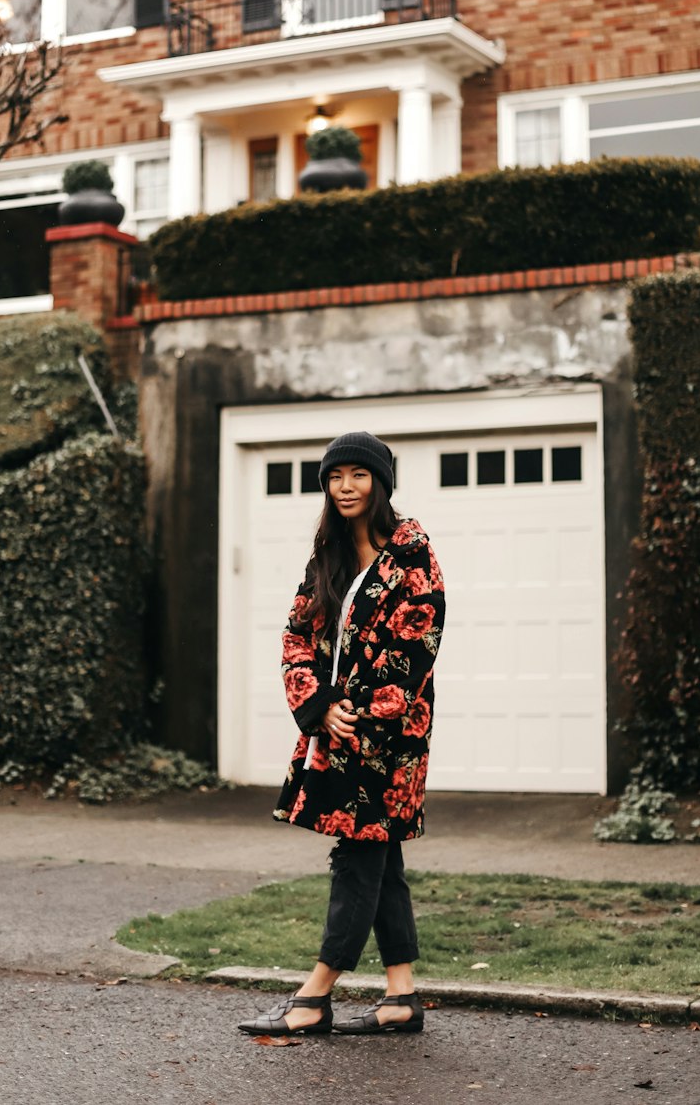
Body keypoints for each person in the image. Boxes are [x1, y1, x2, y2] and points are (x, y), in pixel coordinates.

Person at [238, 430, 445, 1039]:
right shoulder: (326, 553)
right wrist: (320, 706)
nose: (345, 486)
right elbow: (296, 637)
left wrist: (356, 710)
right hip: (334, 728)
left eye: (358, 475)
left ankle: (314, 994)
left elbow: (416, 648)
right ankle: (401, 995)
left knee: (358, 854)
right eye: (335, 476)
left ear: (380, 482)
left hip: (390, 737)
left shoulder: (413, 554)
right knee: (381, 855)